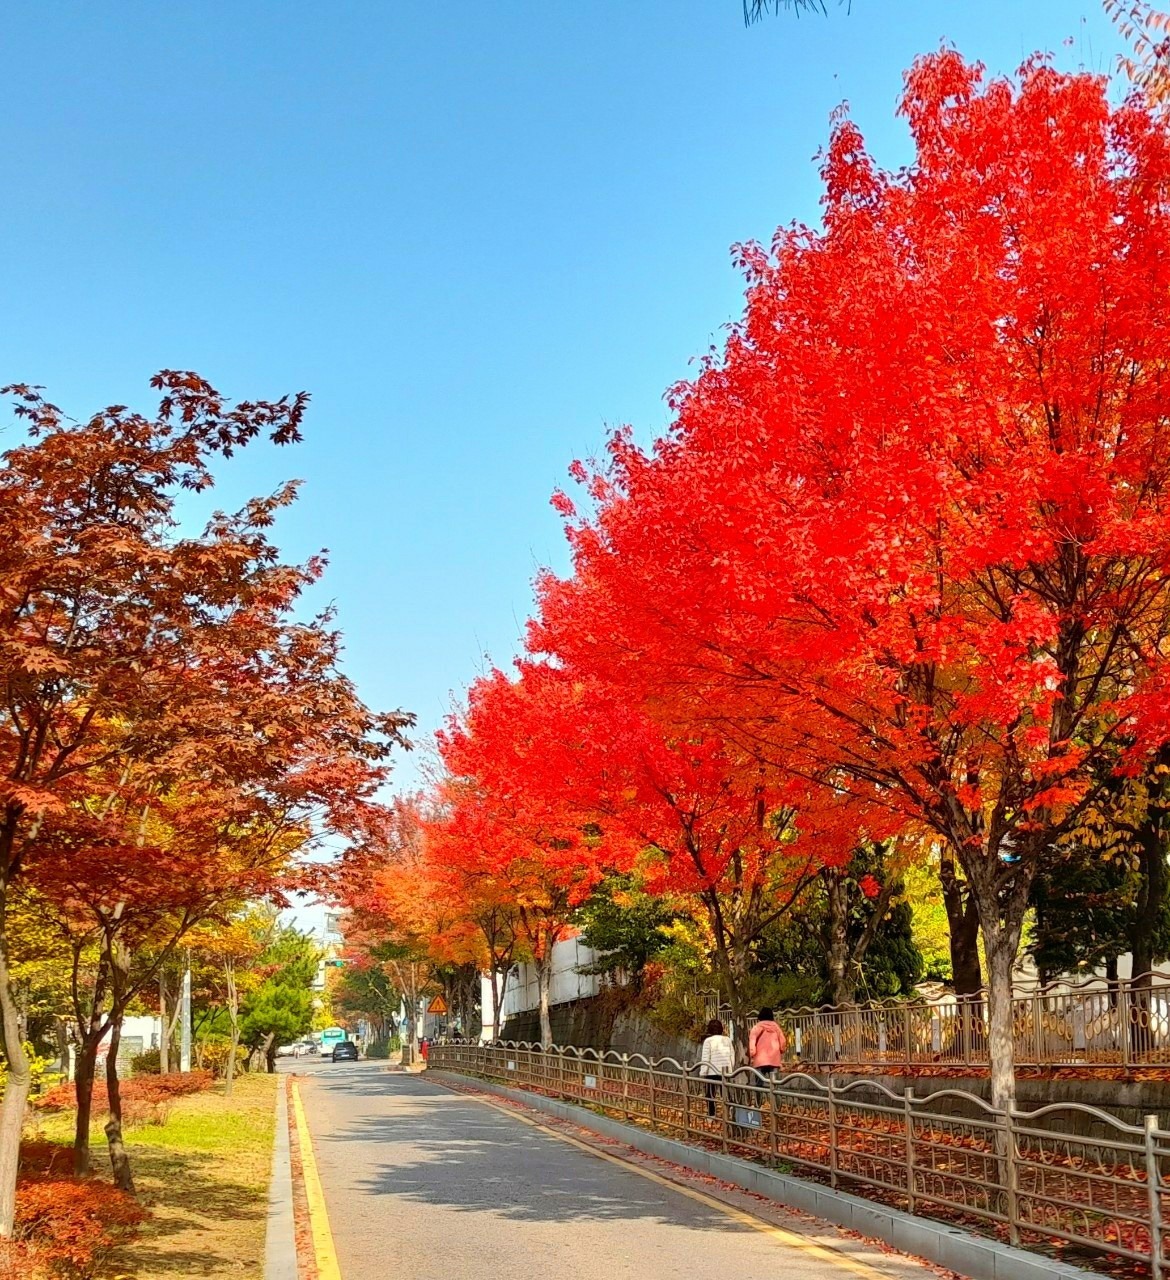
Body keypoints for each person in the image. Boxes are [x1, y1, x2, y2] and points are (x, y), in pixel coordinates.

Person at [698, 1018, 735, 1118]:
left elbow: (705, 1058)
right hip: (725, 1071)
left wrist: (703, 1073)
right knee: (725, 1093)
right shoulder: (727, 1039)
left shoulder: (708, 1041)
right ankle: (730, 1111)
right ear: (721, 1029)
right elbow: (732, 1055)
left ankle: (711, 1114)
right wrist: (731, 1069)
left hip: (712, 1071)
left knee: (710, 1094)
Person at [748, 1007, 787, 1077]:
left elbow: (752, 1042)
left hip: (760, 1060)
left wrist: (752, 1054)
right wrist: (782, 1050)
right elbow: (783, 1041)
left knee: (759, 1085)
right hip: (774, 1059)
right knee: (774, 1084)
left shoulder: (756, 1028)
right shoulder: (776, 1028)